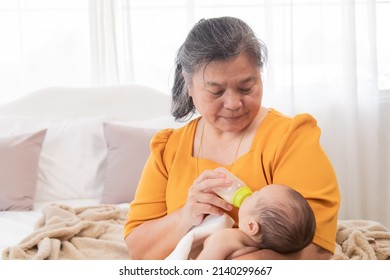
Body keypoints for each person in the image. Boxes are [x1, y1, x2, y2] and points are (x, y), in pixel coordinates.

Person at [124, 16, 340, 260]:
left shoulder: (290, 138)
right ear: (189, 85)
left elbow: (314, 248)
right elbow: (138, 249)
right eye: (216, 91)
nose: (233, 104)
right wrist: (186, 215)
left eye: (247, 88)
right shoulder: (168, 149)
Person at [196, 184, 316, 259]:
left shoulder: (225, 239)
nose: (250, 193)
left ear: (251, 226)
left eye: (254, 196)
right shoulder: (257, 249)